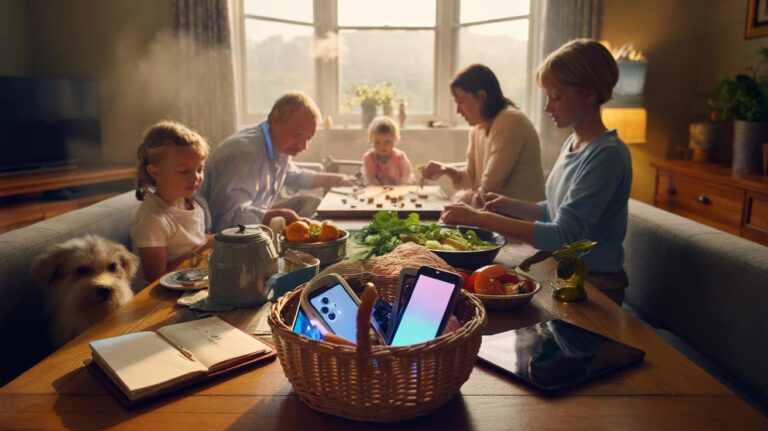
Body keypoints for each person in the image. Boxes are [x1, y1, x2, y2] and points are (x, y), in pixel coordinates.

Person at [441, 39, 632, 305]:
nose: (547, 107)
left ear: (589, 93)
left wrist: (481, 218)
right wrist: (512, 206)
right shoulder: (574, 144)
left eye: (556, 97)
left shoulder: (607, 155)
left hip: (594, 287)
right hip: (564, 275)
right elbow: (554, 208)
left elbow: (564, 235)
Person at [200, 91, 352, 232]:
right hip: (224, 236)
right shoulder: (246, 155)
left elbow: (294, 175)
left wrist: (338, 180)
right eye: (297, 135)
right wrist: (279, 217)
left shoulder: (277, 144)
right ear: (275, 119)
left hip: (250, 224)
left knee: (312, 203)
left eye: (308, 138)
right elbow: (228, 218)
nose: (303, 146)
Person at [420, 64, 545, 206]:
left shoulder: (510, 120)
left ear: (481, 96)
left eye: (461, 101)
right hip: (498, 216)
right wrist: (446, 170)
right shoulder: (477, 128)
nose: (458, 111)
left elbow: (489, 187)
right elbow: (472, 181)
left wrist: (456, 207)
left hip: (521, 220)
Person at [131, 121, 213, 282]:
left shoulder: (193, 205)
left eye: (199, 169)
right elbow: (156, 279)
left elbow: (193, 243)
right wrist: (206, 246)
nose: (196, 177)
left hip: (193, 283)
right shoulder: (152, 220)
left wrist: (218, 240)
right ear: (155, 172)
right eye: (184, 171)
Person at [361, 116, 413, 185]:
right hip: (375, 192)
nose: (381, 146)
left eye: (387, 142)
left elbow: (406, 179)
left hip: (398, 192)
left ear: (395, 140)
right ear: (371, 141)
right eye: (377, 142)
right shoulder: (369, 157)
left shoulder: (400, 157)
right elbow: (370, 179)